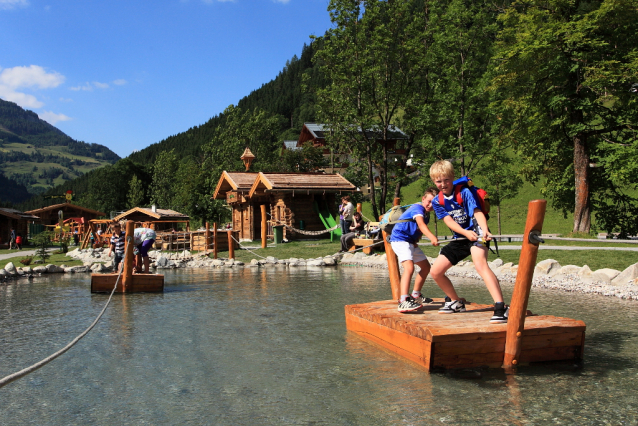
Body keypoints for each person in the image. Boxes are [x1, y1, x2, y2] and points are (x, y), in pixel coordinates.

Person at [428, 160, 508, 323]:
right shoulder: (437, 201)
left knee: (480, 265)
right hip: (461, 236)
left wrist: (484, 230)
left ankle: (501, 307)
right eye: (439, 181)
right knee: (436, 272)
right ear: (434, 182)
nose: (443, 184)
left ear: (452, 177)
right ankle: (456, 302)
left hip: (478, 231)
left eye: (446, 180)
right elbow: (449, 221)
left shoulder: (464, 192)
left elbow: (477, 212)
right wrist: (465, 232)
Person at [389, 188, 440, 313]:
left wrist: (415, 241)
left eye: (434, 203)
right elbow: (421, 226)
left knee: (426, 267)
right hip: (400, 240)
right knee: (409, 268)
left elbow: (416, 229)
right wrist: (432, 237)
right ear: (423, 199)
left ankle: (416, 295)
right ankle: (403, 300)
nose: (430, 205)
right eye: (428, 201)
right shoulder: (417, 209)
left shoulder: (426, 213)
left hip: (410, 242)